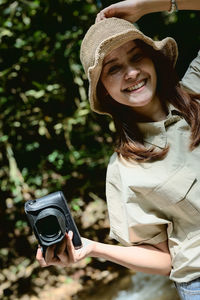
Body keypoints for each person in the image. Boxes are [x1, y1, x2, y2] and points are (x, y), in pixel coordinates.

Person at [36, 0, 200, 299]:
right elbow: (165, 260)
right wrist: (93, 248)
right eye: (114, 68)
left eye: (137, 57)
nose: (132, 73)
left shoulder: (197, 86)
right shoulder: (124, 169)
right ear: (103, 90)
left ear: (153, 60)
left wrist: (149, 5)